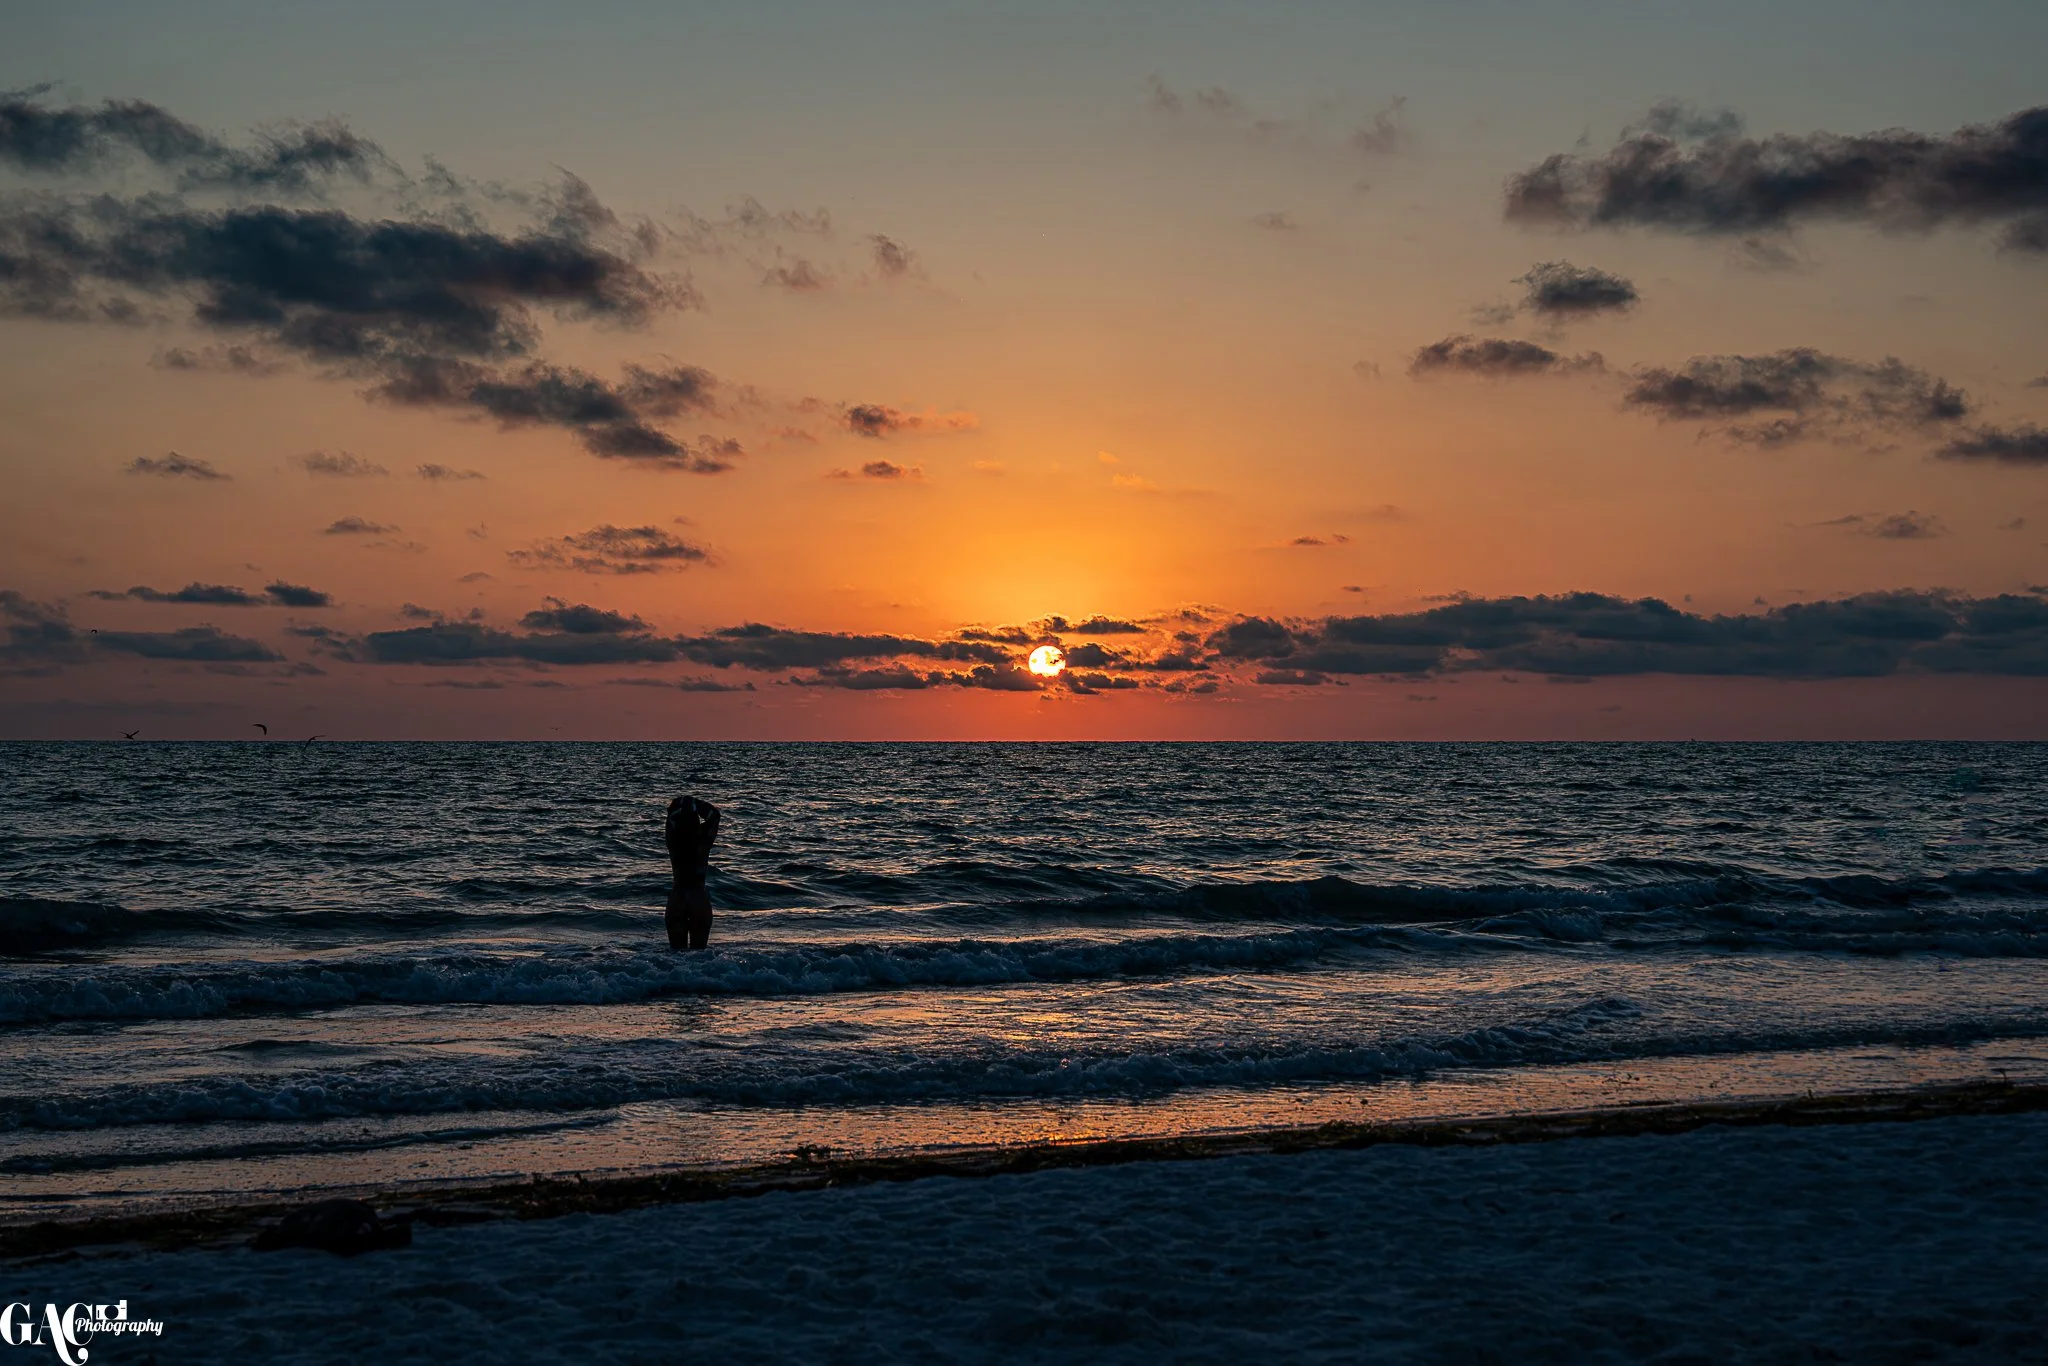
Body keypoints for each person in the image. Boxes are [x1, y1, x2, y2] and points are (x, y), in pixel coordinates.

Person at [664, 795, 720, 951]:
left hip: (678, 897)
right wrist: (695, 803)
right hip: (698, 898)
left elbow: (670, 817)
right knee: (699, 958)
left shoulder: (672, 840)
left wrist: (679, 803)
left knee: (675, 957)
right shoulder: (703, 840)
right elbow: (715, 816)